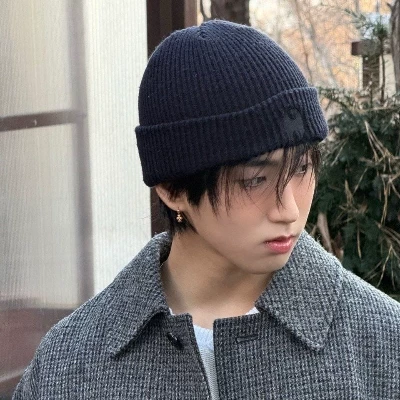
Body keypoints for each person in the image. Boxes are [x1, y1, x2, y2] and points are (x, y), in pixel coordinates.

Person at [13, 20, 400, 399]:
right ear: (172, 188)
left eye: (300, 169)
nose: (288, 209)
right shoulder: (69, 364)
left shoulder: (382, 341)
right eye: (254, 180)